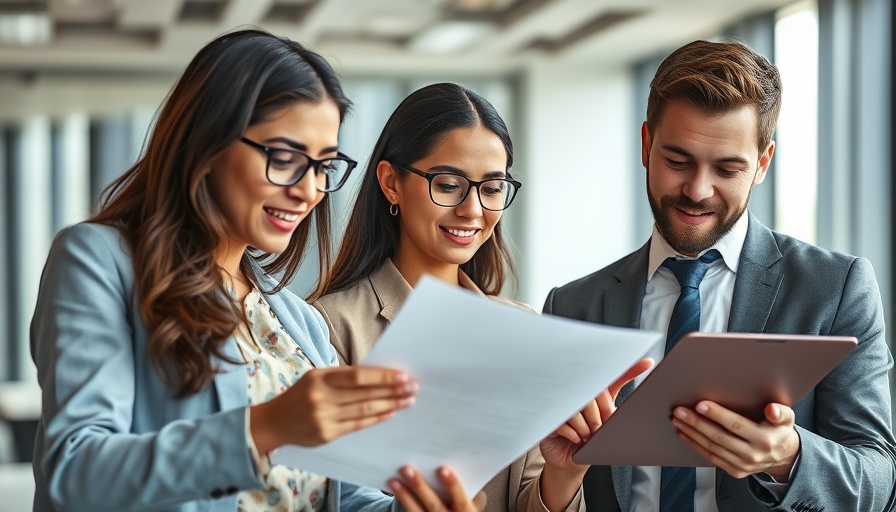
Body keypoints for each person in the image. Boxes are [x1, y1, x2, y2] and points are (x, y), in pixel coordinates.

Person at [30, 29, 480, 512]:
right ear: (208, 142)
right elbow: (73, 471)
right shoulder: (101, 261)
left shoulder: (297, 320)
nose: (309, 190)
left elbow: (338, 495)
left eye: (323, 166)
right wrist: (265, 427)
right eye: (285, 158)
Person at [538, 40, 896, 511]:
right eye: (678, 161)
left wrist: (787, 456)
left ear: (762, 164)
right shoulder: (574, 307)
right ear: (646, 145)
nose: (697, 190)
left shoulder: (835, 288)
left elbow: (880, 480)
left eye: (727, 168)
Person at [309, 82, 587, 512]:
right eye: (448, 183)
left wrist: (564, 472)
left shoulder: (524, 329)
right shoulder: (328, 328)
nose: (472, 210)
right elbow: (324, 498)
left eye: (492, 188)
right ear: (391, 183)